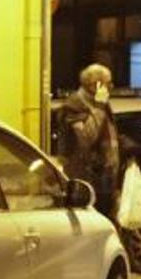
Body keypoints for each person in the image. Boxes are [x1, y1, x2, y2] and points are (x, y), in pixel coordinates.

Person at [60, 63, 122, 219]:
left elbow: (110, 135)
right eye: (108, 83)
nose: (112, 87)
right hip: (86, 180)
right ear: (96, 85)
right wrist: (99, 108)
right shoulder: (74, 105)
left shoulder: (103, 104)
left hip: (107, 179)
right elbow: (86, 138)